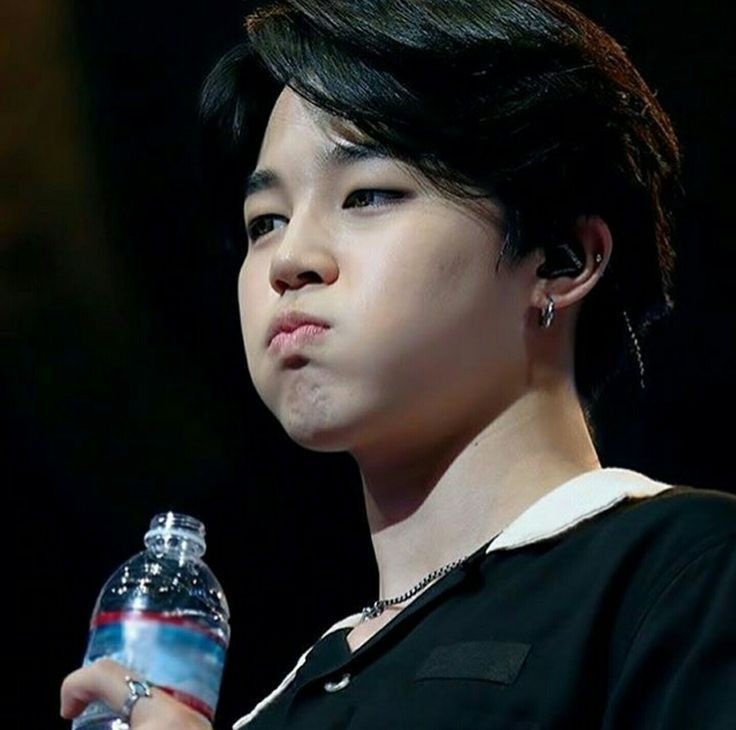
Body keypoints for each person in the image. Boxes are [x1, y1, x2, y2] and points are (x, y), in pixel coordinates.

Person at [60, 1, 736, 728]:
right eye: (266, 222)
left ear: (562, 259)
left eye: (368, 195)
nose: (289, 260)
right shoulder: (277, 708)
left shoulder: (686, 572)